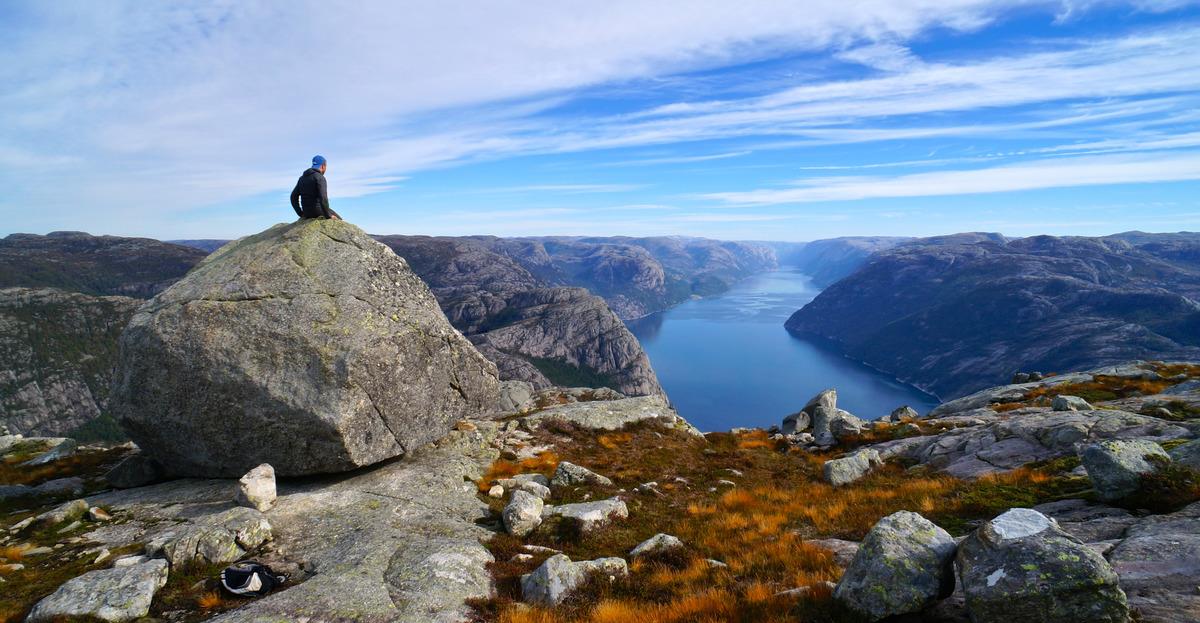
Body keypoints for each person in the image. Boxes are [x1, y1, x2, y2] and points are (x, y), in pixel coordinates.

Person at [290, 155, 342, 220]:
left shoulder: (302, 179)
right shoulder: (320, 178)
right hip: (318, 211)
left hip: (306, 213)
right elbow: (323, 198)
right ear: (323, 166)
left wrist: (300, 213)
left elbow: (293, 197)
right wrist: (328, 215)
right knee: (339, 220)